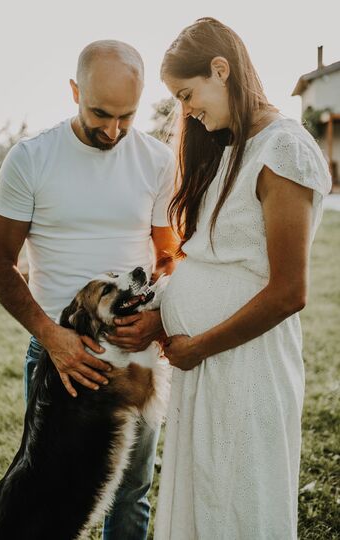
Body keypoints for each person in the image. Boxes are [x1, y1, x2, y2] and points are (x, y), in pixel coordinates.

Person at [0, 40, 176, 540]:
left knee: (133, 490)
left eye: (126, 116)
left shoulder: (158, 160)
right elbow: (1, 265)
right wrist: (52, 337)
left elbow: (167, 257)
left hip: (135, 357)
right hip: (60, 358)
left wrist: (156, 319)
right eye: (100, 113)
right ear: (74, 90)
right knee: (43, 494)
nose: (113, 130)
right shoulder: (30, 159)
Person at [154, 17, 332, 540]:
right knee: (204, 493)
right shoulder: (228, 146)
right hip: (204, 362)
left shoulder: (284, 150)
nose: (186, 110)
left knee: (238, 501)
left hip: (243, 361)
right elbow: (212, 258)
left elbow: (288, 292)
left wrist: (200, 345)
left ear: (220, 69)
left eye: (187, 94)